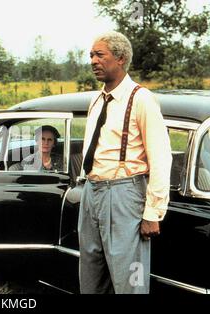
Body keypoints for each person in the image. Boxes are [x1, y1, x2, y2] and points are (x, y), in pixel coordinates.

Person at [78, 31, 172, 294]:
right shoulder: (96, 100)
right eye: (91, 55)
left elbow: (161, 158)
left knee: (130, 279)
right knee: (91, 273)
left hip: (123, 194)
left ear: (120, 58)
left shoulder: (141, 99)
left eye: (100, 55)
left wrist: (153, 213)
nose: (93, 61)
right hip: (92, 191)